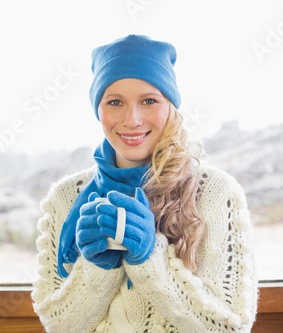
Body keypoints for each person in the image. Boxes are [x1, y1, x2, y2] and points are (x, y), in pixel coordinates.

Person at [32, 34, 258, 332]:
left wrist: (150, 259)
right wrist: (99, 269)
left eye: (149, 100)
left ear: (171, 106)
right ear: (98, 110)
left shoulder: (215, 193)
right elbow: (59, 325)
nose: (132, 119)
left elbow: (231, 328)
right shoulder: (66, 197)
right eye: (115, 102)